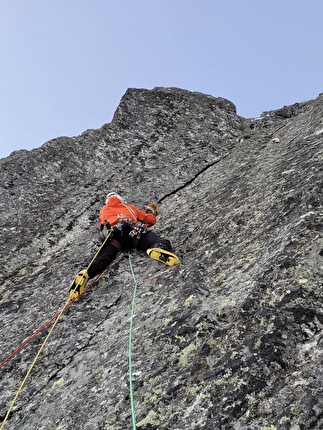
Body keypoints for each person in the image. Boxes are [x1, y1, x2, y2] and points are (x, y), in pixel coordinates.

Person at [69, 192, 180, 300]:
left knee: (103, 259)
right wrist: (151, 214)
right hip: (134, 232)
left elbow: (102, 226)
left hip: (115, 238)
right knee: (157, 240)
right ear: (120, 199)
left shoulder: (103, 210)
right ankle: (160, 248)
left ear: (107, 202)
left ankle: (86, 272)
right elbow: (149, 220)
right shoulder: (128, 207)